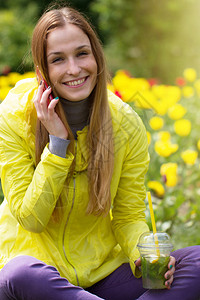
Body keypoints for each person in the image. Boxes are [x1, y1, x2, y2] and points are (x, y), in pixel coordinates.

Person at [0, 3, 200, 300]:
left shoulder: (125, 123)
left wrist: (141, 254)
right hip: (38, 277)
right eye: (58, 59)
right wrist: (57, 145)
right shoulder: (14, 117)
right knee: (19, 274)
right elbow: (32, 219)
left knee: (196, 262)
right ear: (43, 70)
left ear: (96, 56)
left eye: (82, 53)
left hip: (101, 275)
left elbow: (128, 215)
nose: (74, 69)